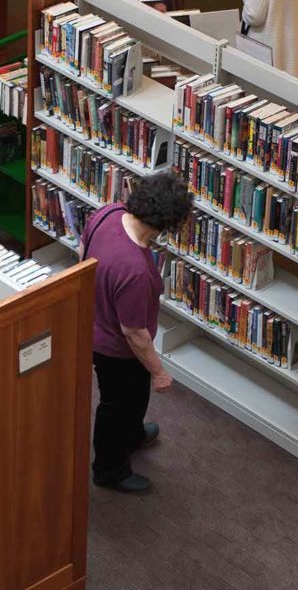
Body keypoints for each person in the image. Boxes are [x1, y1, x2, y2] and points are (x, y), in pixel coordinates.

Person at [80, 173, 192, 493]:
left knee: (134, 397)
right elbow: (135, 334)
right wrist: (159, 372)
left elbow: (82, 252)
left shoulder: (109, 213)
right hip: (115, 350)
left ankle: (132, 435)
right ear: (165, 224)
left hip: (93, 323)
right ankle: (109, 470)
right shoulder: (136, 270)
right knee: (117, 405)